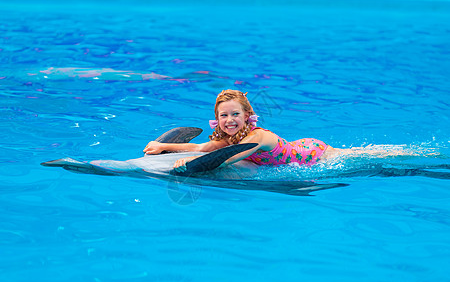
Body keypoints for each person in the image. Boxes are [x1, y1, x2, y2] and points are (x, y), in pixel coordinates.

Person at [143, 90, 418, 172]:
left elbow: (226, 158)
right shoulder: (229, 136)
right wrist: (164, 147)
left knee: (363, 157)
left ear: (247, 116)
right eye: (223, 116)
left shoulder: (256, 137)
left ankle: (409, 155)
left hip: (310, 153)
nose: (229, 120)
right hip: (295, 150)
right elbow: (205, 148)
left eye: (235, 115)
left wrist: (189, 164)